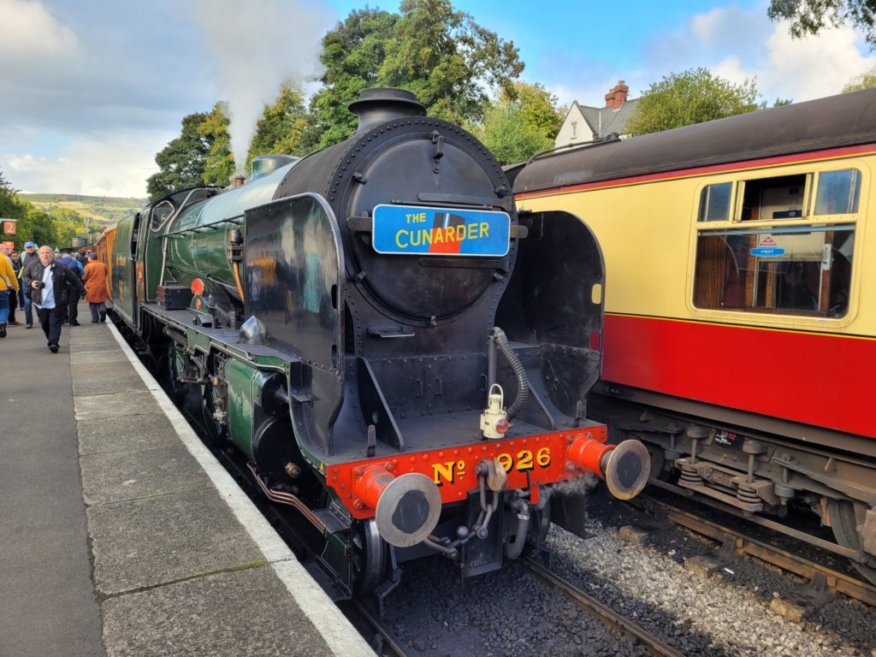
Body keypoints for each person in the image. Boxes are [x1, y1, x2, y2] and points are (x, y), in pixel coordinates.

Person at [22, 245, 85, 353]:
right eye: (43, 253)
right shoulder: (32, 265)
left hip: (57, 300)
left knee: (54, 322)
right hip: (39, 301)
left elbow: (74, 279)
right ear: (39, 255)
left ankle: (54, 343)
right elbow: (25, 276)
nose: (45, 255)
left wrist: (82, 291)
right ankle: (50, 339)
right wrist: (31, 283)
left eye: (48, 253)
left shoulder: (61, 267)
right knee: (44, 323)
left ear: (52, 254)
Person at [58, 248, 84, 326]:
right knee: (73, 303)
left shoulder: (57, 263)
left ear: (62, 255)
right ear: (70, 254)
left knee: (62, 303)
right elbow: (82, 273)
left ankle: (63, 319)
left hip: (61, 286)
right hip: (74, 286)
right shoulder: (76, 262)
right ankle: (72, 320)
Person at [82, 252, 109, 323]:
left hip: (92, 287)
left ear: (90, 258)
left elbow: (85, 277)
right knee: (101, 300)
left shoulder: (88, 266)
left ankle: (95, 319)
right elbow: (106, 273)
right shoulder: (103, 265)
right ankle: (103, 310)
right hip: (102, 286)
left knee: (92, 303)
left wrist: (83, 278)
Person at [0, 243, 20, 338]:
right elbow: (11, 275)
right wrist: (16, 287)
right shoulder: (3, 259)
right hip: (2, 287)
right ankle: (2, 322)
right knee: (4, 307)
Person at [19, 241, 40, 328]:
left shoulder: (39, 254)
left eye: (31, 247)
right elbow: (21, 267)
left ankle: (42, 319)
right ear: (25, 248)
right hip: (26, 281)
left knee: (38, 301)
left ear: (34, 247)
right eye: (28, 247)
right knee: (27, 303)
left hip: (37, 281)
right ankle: (29, 322)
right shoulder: (22, 255)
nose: (30, 248)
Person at [8, 249, 22, 325]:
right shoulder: (9, 263)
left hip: (17, 283)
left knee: (14, 303)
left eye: (16, 256)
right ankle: (10, 320)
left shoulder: (19, 263)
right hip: (10, 285)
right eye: (13, 256)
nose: (14, 257)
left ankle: (11, 319)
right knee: (11, 303)